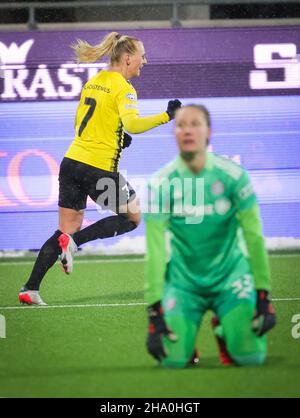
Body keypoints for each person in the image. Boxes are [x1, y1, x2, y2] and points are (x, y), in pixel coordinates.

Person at [18, 31, 181, 306]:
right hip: (98, 168)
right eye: (142, 56)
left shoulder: (95, 81)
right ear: (128, 58)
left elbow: (84, 123)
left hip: (71, 163)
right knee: (132, 217)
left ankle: (30, 288)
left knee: (63, 230)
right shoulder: (124, 87)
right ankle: (75, 242)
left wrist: (116, 138)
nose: (145, 61)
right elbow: (133, 124)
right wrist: (167, 116)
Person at [144, 104, 276, 368]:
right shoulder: (160, 183)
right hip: (184, 284)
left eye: (195, 124)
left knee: (251, 358)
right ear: (174, 133)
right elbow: (155, 249)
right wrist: (153, 310)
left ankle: (222, 329)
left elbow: (254, 237)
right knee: (171, 361)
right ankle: (187, 342)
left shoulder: (234, 176)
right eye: (181, 125)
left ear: (209, 132)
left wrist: (264, 294)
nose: (188, 130)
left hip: (231, 279)